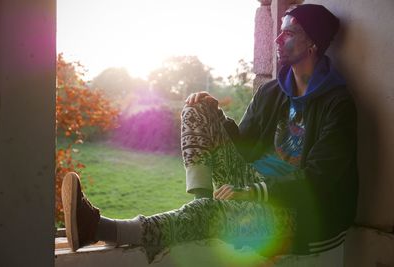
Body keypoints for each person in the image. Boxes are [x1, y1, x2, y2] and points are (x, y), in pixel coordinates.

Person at [62, 4, 358, 266]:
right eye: (279, 31)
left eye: (290, 33)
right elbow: (243, 143)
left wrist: (256, 192)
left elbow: (320, 179)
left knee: (210, 215)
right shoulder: (272, 91)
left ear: (313, 44)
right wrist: (217, 116)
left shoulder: (337, 104)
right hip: (254, 187)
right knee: (196, 108)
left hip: (299, 214)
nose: (279, 39)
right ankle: (202, 205)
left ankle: (101, 230)